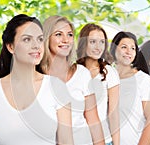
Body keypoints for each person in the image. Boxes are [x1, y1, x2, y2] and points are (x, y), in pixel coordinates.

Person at [0, 14, 73, 145]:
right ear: (10, 46)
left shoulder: (56, 87)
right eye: (27, 39)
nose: (36, 46)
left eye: (40, 39)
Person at [42, 16, 105, 145]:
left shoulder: (82, 74)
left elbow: (93, 120)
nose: (66, 40)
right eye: (58, 34)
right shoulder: (37, 75)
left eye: (70, 35)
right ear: (47, 38)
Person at [110, 31, 150, 145]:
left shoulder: (142, 79)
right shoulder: (105, 77)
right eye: (124, 47)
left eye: (133, 48)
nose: (128, 52)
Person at [76, 23, 120, 145]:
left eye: (101, 42)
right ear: (84, 43)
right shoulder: (73, 71)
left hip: (104, 140)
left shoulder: (109, 72)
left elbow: (114, 114)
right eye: (93, 42)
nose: (98, 47)